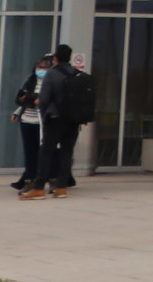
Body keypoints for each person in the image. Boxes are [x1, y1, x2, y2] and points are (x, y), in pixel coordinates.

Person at [37, 46, 94, 195]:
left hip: (55, 119)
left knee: (46, 151)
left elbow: (44, 98)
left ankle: (38, 187)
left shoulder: (52, 74)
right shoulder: (77, 74)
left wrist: (44, 115)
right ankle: (61, 187)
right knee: (66, 152)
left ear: (55, 58)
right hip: (73, 120)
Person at [11, 56, 49, 193]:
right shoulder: (30, 80)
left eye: (45, 68)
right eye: (40, 67)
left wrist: (29, 98)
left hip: (41, 122)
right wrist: (30, 101)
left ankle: (41, 179)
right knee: (29, 152)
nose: (41, 70)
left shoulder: (50, 82)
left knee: (41, 152)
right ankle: (29, 180)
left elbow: (45, 99)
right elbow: (20, 99)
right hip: (26, 120)